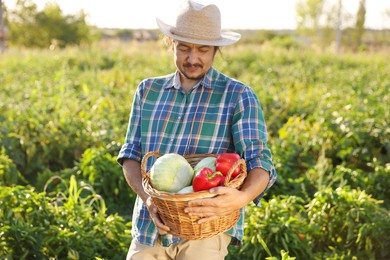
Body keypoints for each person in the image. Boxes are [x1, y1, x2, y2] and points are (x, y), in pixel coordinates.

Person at [117, 0, 277, 259]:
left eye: (203, 50)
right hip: (150, 227)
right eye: (184, 48)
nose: (192, 59)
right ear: (171, 45)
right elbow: (131, 155)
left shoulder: (237, 95)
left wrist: (241, 198)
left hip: (205, 229)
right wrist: (149, 199)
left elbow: (260, 161)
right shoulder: (148, 91)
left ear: (216, 50)